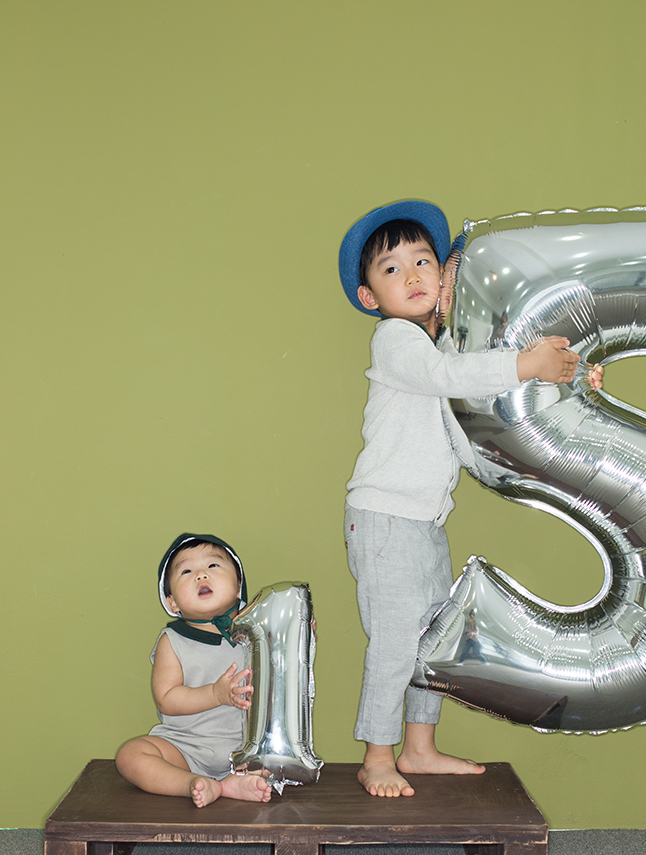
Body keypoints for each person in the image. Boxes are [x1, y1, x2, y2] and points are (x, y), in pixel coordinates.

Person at [338, 200, 603, 799]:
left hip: (421, 522)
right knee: (396, 643)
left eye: (423, 262)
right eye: (391, 269)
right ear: (369, 297)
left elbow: (465, 433)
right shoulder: (395, 341)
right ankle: (376, 756)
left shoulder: (440, 351)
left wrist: (558, 382)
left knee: (431, 638)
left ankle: (418, 748)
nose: (412, 275)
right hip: (385, 519)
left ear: (443, 276)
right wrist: (525, 363)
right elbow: (452, 379)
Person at [116, 533, 272, 807]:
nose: (201, 574)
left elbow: (284, 673)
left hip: (246, 747)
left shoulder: (257, 632)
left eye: (213, 565)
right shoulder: (172, 640)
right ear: (172, 602)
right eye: (186, 571)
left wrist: (301, 638)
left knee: (276, 759)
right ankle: (190, 782)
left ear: (238, 587)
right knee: (130, 755)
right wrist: (215, 694)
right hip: (184, 748)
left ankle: (231, 783)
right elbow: (167, 699)